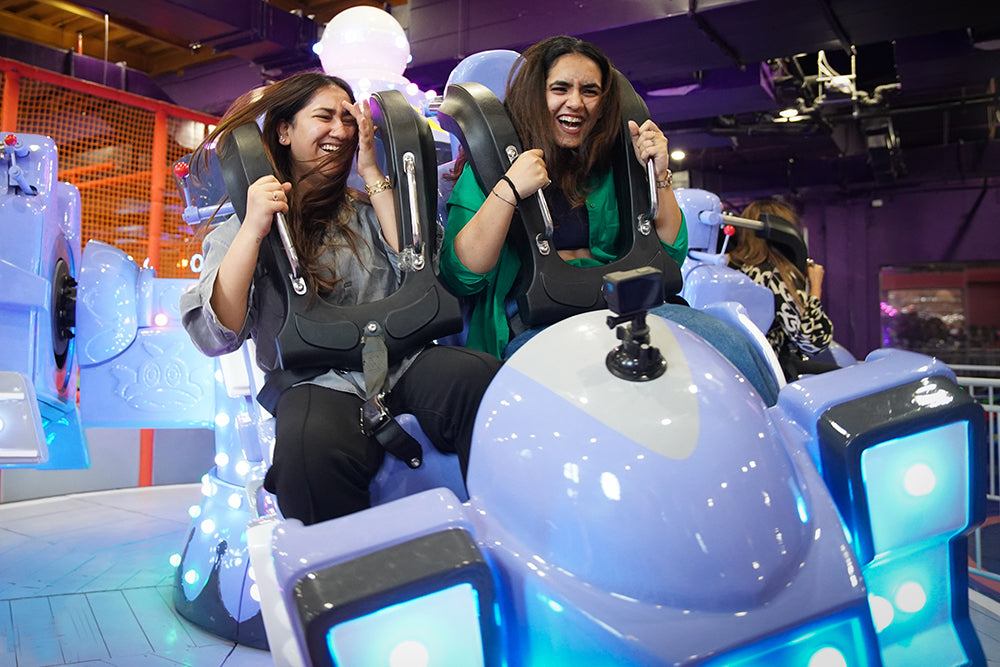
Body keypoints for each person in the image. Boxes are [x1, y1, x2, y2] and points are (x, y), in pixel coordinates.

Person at [180, 72, 501, 525]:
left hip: (403, 362)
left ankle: (505, 528)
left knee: (482, 381)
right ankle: (340, 563)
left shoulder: (368, 209)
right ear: (285, 131)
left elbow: (418, 265)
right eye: (324, 117)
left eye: (348, 119)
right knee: (309, 452)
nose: (341, 130)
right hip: (314, 380)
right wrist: (253, 227)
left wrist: (371, 172)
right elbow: (218, 335)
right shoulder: (241, 228)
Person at [439, 35, 688, 359]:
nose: (576, 102)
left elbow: (672, 254)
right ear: (534, 96)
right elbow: (462, 276)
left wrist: (658, 176)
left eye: (590, 91)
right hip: (538, 315)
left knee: (724, 345)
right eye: (560, 89)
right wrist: (509, 189)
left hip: (630, 306)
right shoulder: (492, 164)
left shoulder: (618, 162)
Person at [727, 198, 836, 381]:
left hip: (740, 369)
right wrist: (815, 286)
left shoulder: (732, 269)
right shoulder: (774, 274)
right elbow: (813, 341)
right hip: (769, 372)